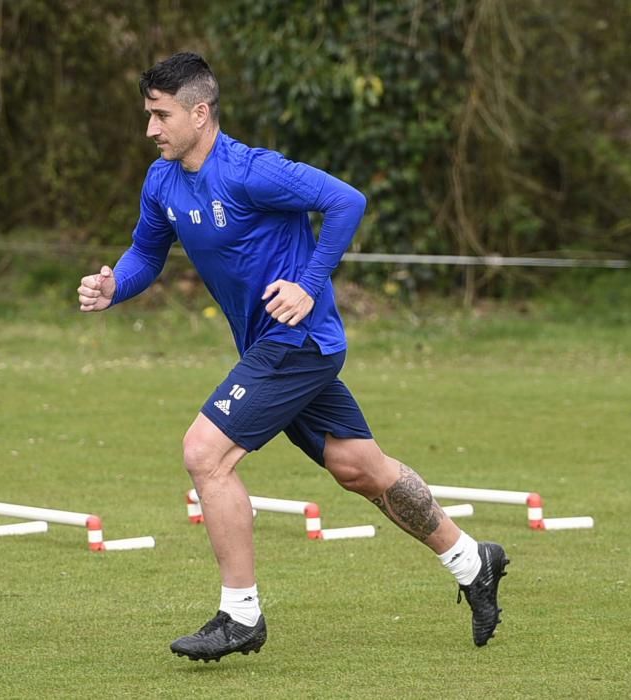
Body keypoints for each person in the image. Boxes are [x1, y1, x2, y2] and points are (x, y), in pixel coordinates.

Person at [78, 52, 508, 662]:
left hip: (298, 343)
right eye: (148, 114)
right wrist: (114, 285)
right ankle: (473, 560)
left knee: (205, 454)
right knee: (360, 468)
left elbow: (346, 201)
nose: (150, 129)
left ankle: (240, 615)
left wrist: (308, 283)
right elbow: (146, 253)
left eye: (160, 115)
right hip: (270, 348)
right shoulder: (162, 181)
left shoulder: (252, 171)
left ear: (200, 114)